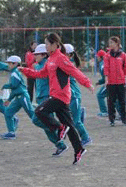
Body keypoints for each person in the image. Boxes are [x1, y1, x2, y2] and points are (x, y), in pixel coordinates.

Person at [20, 33, 94, 165]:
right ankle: (79, 150)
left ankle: (60, 128)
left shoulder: (60, 58)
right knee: (70, 126)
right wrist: (26, 71)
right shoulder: (51, 59)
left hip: (61, 96)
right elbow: (42, 74)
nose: (46, 46)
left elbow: (74, 71)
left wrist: (87, 83)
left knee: (39, 111)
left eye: (48, 44)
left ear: (55, 44)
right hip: (57, 95)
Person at [30, 44, 69, 155]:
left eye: (36, 54)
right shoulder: (37, 66)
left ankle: (60, 129)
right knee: (46, 125)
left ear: (43, 54)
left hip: (48, 97)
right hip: (40, 97)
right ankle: (60, 144)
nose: (35, 56)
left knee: (36, 119)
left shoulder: (50, 65)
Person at [64, 44, 92, 147]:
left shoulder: (68, 65)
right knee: (70, 118)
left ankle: (86, 138)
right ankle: (80, 112)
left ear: (70, 55)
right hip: (70, 95)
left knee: (75, 121)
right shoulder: (66, 63)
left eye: (64, 53)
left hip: (74, 95)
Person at [1, 56, 34, 140]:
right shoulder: (13, 72)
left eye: (9, 63)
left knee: (32, 115)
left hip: (23, 97)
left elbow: (14, 86)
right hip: (18, 98)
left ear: (15, 64)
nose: (8, 65)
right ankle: (11, 133)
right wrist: (9, 99)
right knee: (8, 112)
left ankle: (52, 127)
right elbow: (14, 89)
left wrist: (6, 86)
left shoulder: (15, 73)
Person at [104, 36, 126, 126]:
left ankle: (124, 119)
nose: (110, 44)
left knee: (122, 101)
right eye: (109, 43)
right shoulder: (107, 55)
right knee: (111, 101)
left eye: (112, 43)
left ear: (117, 44)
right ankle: (112, 120)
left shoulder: (123, 55)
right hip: (111, 82)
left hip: (121, 81)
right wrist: (106, 79)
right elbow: (106, 68)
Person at [95, 50, 109, 117]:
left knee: (100, 95)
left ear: (101, 57)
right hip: (112, 82)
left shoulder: (102, 64)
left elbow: (105, 77)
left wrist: (100, 82)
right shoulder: (104, 63)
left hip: (109, 83)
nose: (97, 58)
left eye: (98, 56)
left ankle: (104, 111)